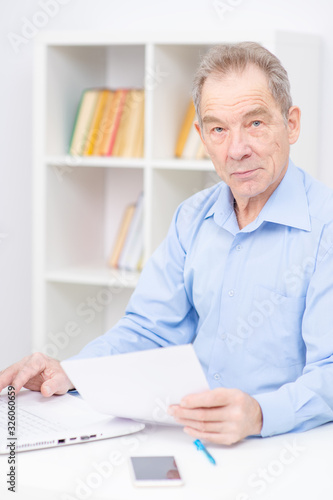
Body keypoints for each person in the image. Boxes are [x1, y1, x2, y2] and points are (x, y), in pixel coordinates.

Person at [1, 42, 333, 446]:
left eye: (256, 123)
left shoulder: (325, 226)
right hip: (194, 440)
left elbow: (329, 369)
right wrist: (72, 372)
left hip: (291, 447)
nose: (237, 149)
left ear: (292, 124)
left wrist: (259, 414)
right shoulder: (192, 218)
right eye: (218, 129)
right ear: (202, 137)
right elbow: (149, 330)